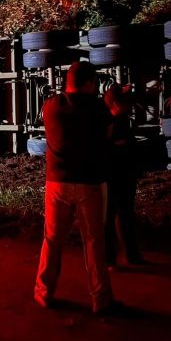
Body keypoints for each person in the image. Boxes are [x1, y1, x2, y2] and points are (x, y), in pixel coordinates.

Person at [35, 61, 120, 314]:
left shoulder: (50, 105)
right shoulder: (97, 107)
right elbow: (108, 134)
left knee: (52, 240)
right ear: (89, 82)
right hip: (89, 182)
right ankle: (100, 299)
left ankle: (43, 293)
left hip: (56, 182)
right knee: (94, 241)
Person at [103, 84, 147, 267]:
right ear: (115, 103)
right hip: (113, 175)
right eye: (125, 102)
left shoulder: (120, 120)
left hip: (124, 174)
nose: (129, 105)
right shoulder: (109, 123)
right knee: (112, 215)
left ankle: (130, 255)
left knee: (125, 214)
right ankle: (110, 259)